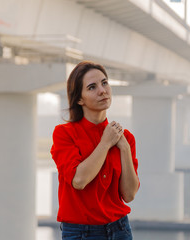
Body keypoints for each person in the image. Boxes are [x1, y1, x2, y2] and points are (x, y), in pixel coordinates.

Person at [50, 61, 140, 240]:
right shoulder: (65, 134)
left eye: (104, 83)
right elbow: (79, 180)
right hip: (80, 233)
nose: (102, 90)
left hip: (120, 229)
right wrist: (105, 143)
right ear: (79, 99)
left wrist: (123, 148)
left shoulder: (125, 138)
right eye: (92, 87)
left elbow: (129, 195)